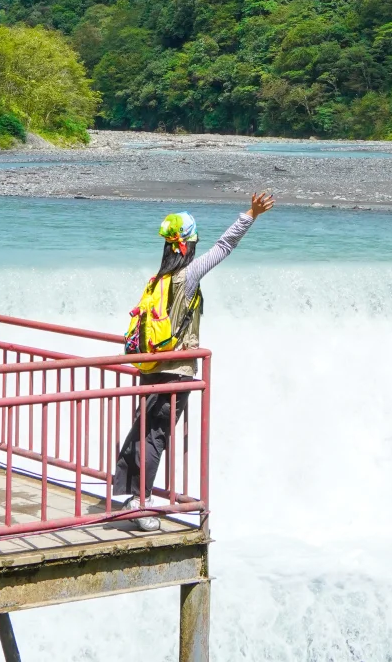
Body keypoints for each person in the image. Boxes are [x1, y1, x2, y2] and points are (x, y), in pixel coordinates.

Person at [113, 192, 274, 530]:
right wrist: (251, 214)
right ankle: (143, 504)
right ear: (187, 246)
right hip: (177, 371)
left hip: (151, 367)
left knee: (143, 430)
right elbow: (224, 247)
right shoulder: (187, 277)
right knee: (156, 436)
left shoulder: (157, 281)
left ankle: (129, 494)